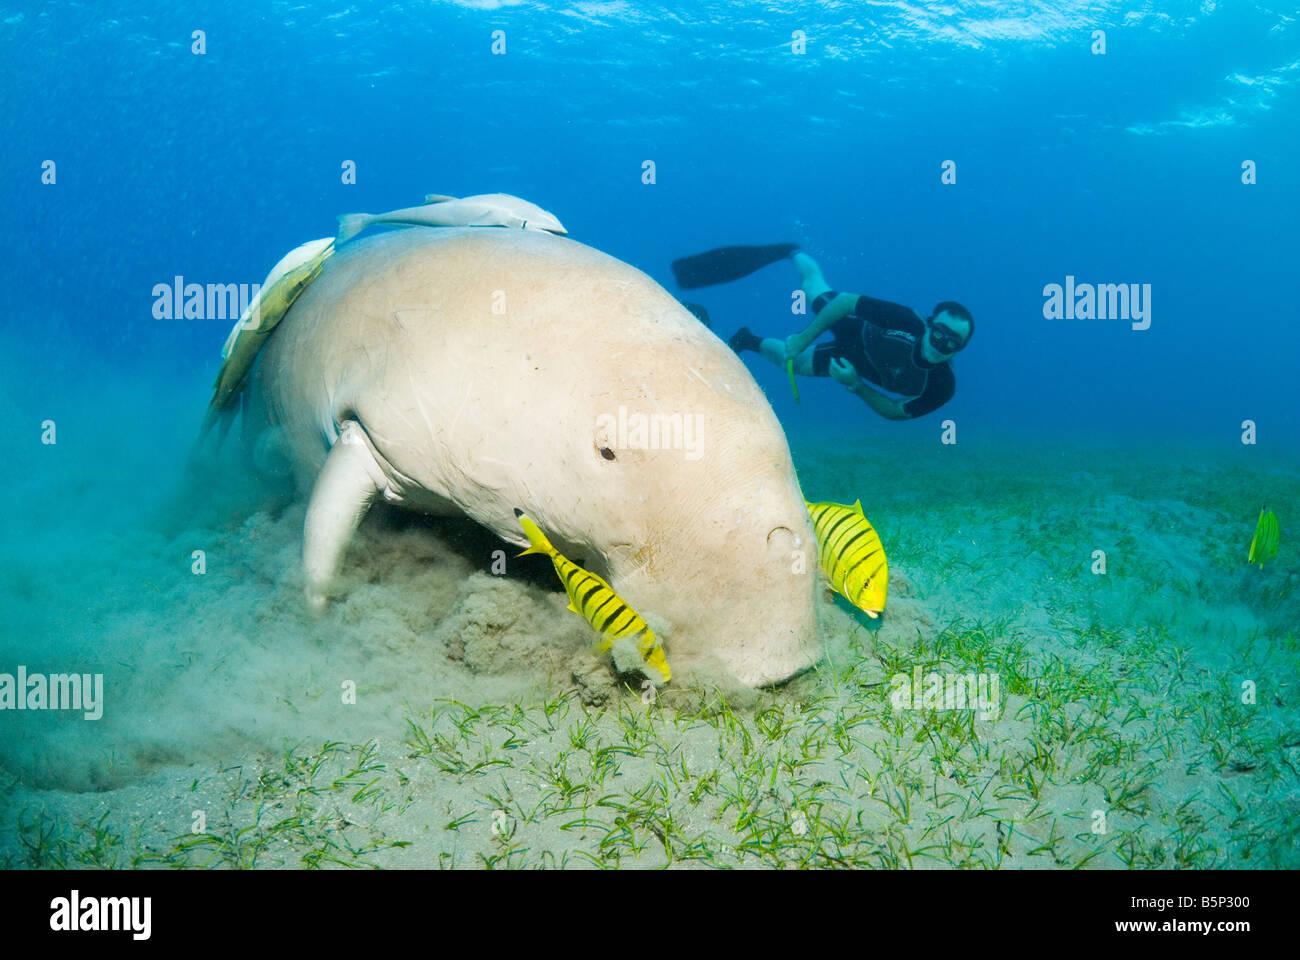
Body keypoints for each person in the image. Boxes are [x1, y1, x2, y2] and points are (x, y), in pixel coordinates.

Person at [727, 252, 973, 420]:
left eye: (953, 342)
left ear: (960, 348)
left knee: (788, 362)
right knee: (812, 289)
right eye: (940, 333)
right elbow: (846, 301)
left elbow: (896, 411)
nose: (942, 345)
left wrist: (856, 385)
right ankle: (792, 252)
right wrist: (804, 338)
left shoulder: (943, 385)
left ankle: (745, 339)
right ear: (929, 325)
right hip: (855, 328)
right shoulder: (907, 320)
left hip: (857, 365)